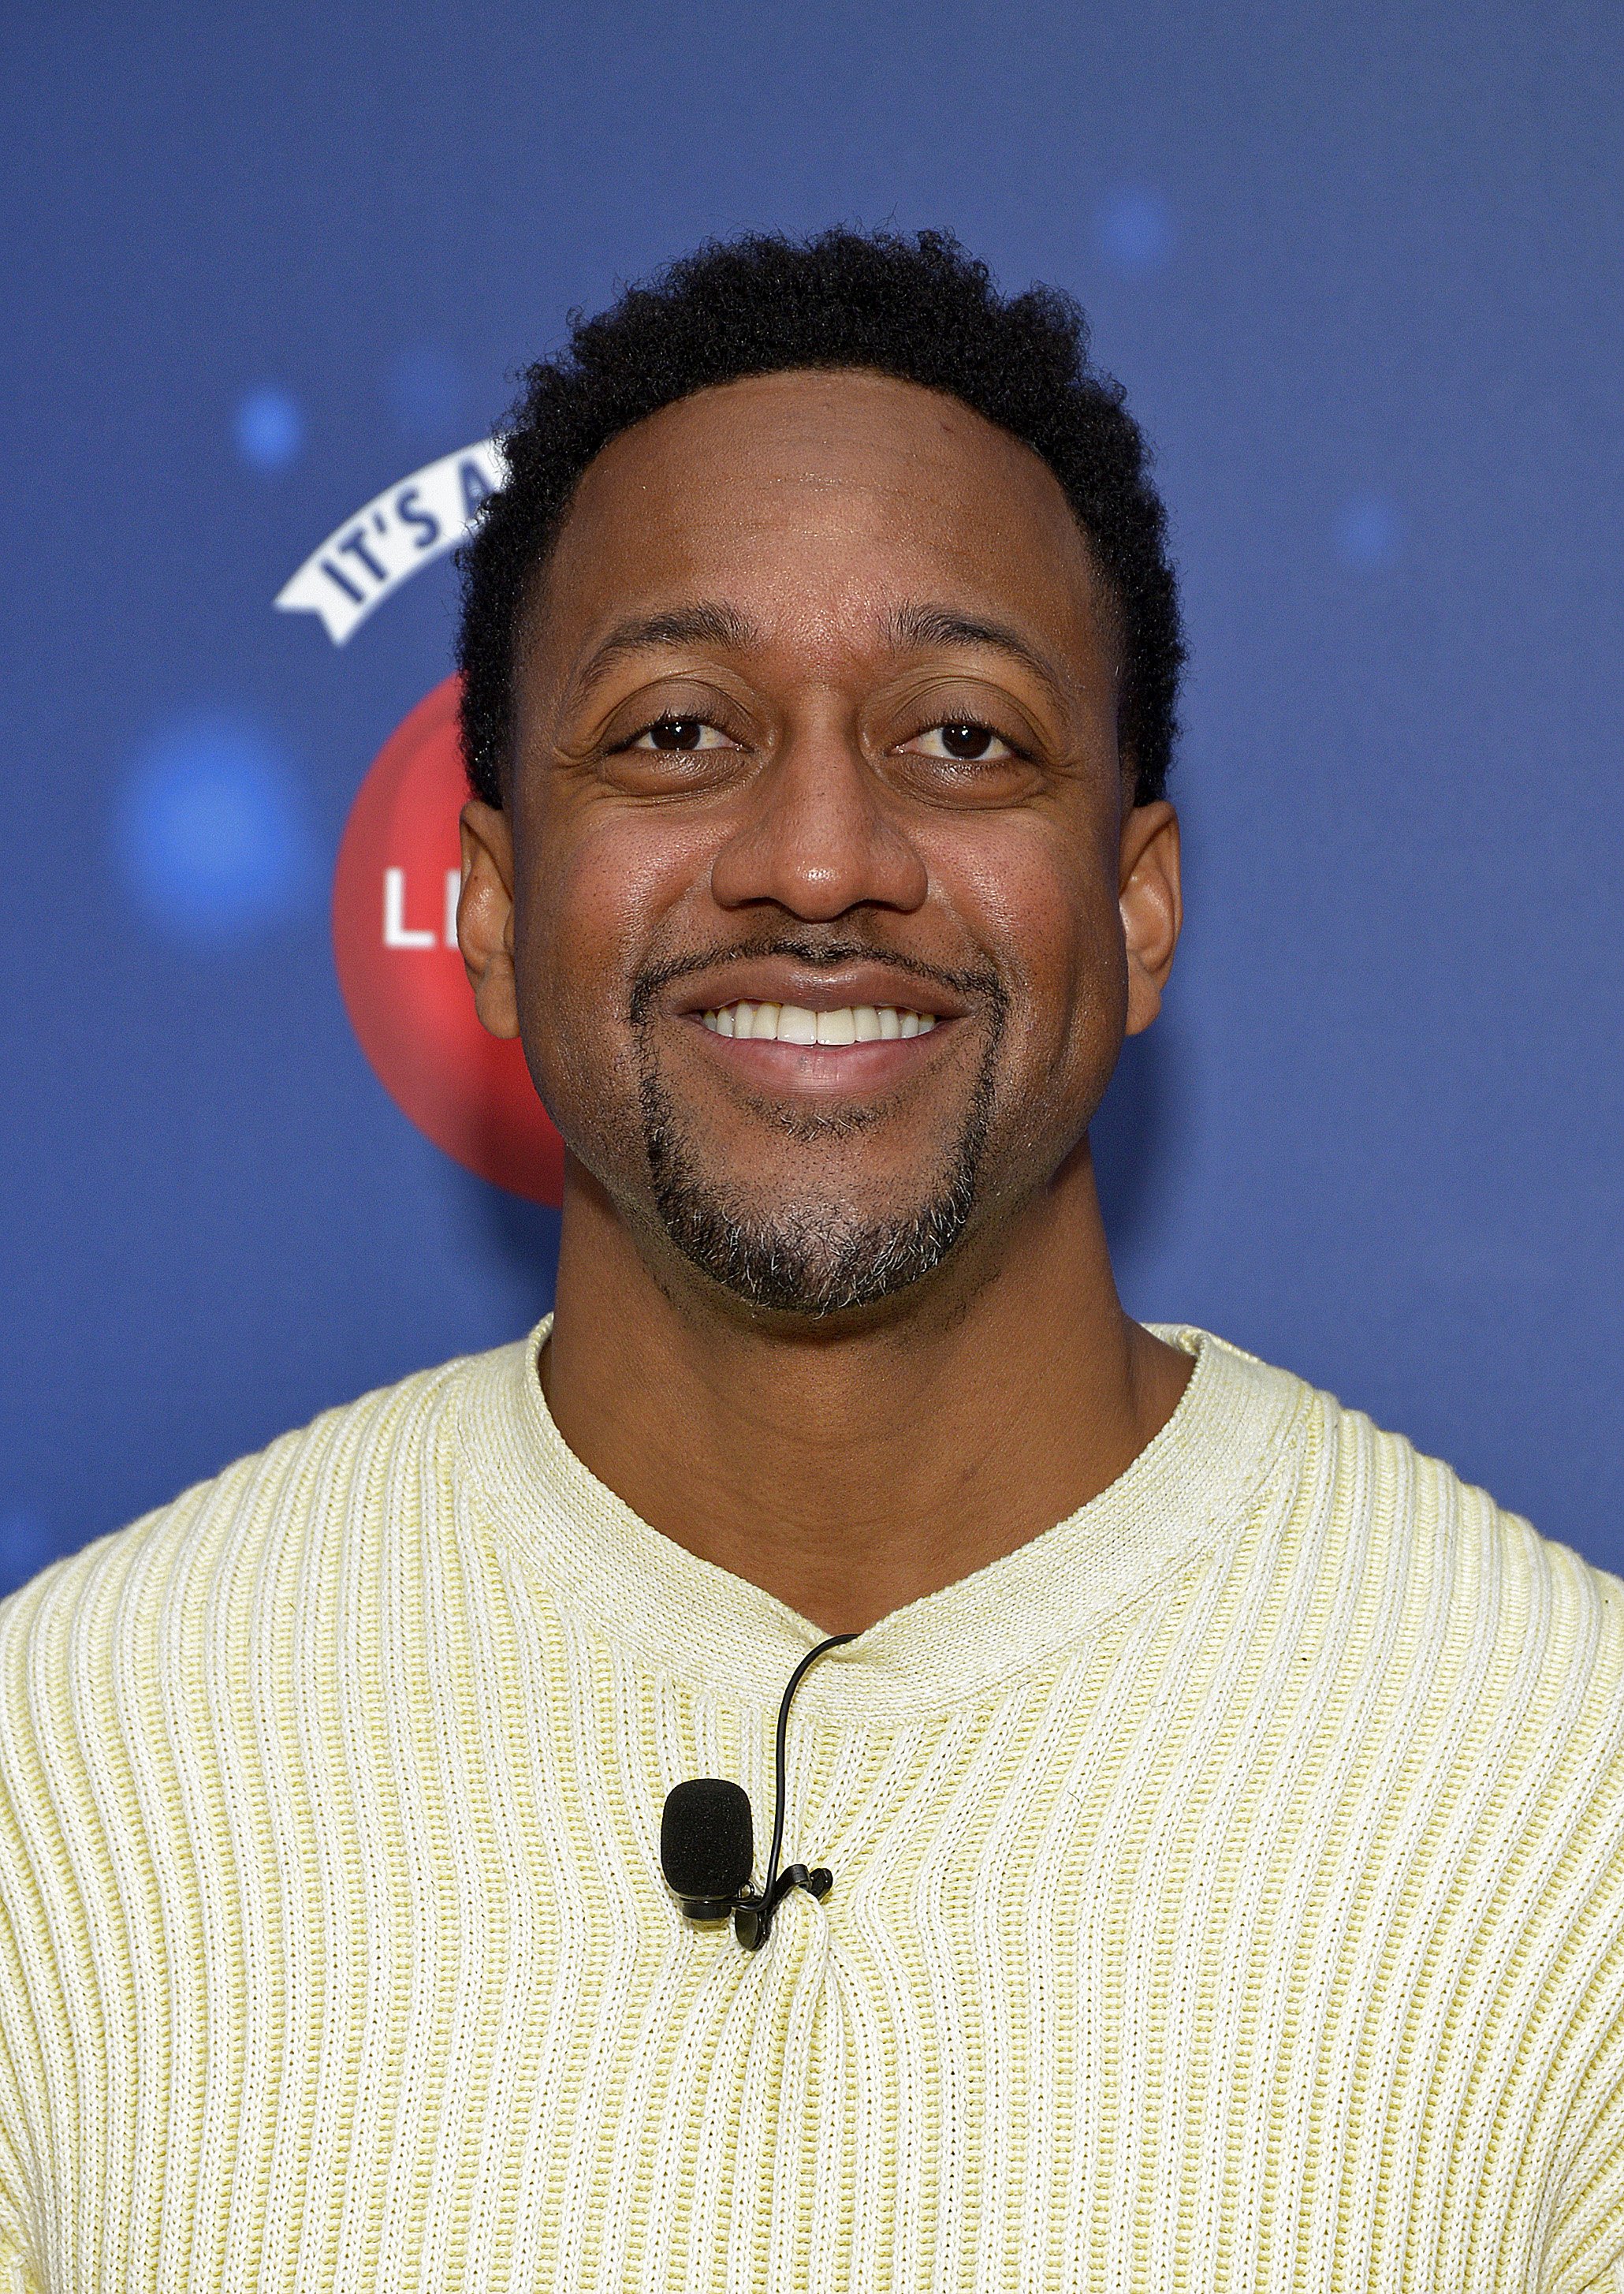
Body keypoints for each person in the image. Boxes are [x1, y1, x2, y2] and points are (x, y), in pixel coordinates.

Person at [0, 229, 1619, 2294]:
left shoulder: (1572, 1806)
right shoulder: (63, 1774)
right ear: (487, 910)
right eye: (680, 732)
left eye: (961, 737)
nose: (823, 858)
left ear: (1135, 908)